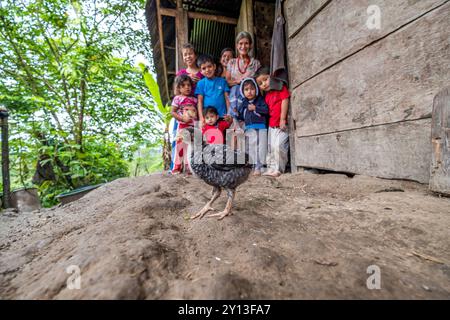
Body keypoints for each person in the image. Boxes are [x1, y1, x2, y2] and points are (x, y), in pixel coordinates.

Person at [255, 67, 290, 177]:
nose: (264, 84)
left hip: (280, 125)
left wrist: (282, 119)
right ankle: (271, 168)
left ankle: (279, 168)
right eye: (260, 83)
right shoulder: (267, 96)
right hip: (271, 126)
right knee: (270, 148)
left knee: (279, 146)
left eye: (265, 79)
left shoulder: (280, 88)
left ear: (272, 76)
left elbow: (285, 100)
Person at [237, 78, 268, 176]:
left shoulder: (260, 100)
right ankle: (252, 166)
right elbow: (241, 115)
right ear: (243, 92)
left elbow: (266, 111)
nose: (249, 92)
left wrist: (256, 108)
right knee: (250, 148)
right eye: (246, 89)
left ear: (256, 90)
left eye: (252, 89)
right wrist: (236, 115)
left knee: (259, 147)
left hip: (260, 127)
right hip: (249, 128)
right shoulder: (244, 103)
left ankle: (259, 167)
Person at [226, 32, 261, 118]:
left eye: (246, 43)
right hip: (235, 101)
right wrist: (240, 82)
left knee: (249, 128)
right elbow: (227, 82)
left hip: (251, 102)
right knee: (234, 129)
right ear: (237, 45)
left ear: (250, 45)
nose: (243, 46)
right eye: (240, 43)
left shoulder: (255, 63)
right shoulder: (231, 62)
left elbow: (259, 83)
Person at [171, 74, 198, 175]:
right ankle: (177, 167)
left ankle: (188, 167)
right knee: (180, 146)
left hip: (192, 127)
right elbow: (172, 112)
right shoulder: (177, 99)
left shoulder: (194, 100)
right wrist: (182, 118)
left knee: (190, 147)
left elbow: (197, 113)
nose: (187, 87)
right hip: (182, 126)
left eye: (189, 85)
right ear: (179, 88)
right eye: (183, 85)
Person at [195, 54, 230, 127]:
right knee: (209, 138)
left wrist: (229, 114)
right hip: (208, 119)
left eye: (209, 66)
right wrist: (201, 118)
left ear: (214, 66)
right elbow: (200, 101)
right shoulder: (201, 83)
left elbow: (227, 99)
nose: (207, 70)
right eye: (204, 68)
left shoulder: (222, 81)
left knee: (224, 137)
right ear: (200, 71)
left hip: (222, 117)